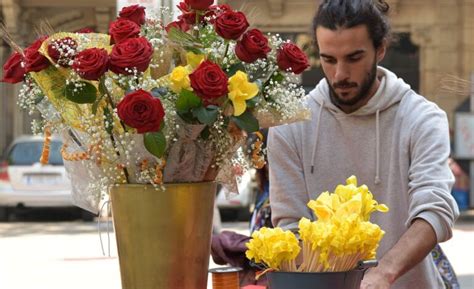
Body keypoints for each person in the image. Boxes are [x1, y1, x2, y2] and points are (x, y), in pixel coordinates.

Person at [267, 1, 460, 289]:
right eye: (328, 60)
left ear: (380, 49)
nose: (339, 74)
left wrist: (383, 273)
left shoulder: (422, 118)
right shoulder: (290, 126)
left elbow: (435, 211)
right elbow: (290, 225)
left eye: (354, 58)